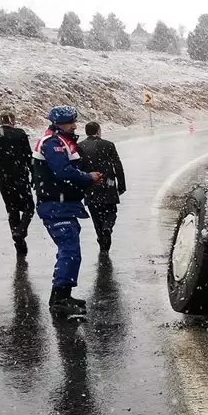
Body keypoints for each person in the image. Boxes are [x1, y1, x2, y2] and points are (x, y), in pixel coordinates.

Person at [32, 106, 102, 314]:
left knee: (71, 251)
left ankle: (64, 295)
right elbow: (63, 172)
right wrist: (88, 178)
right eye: (70, 122)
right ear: (58, 124)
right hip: (55, 205)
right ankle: (59, 299)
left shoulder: (59, 141)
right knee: (69, 251)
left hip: (63, 204)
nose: (74, 126)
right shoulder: (52, 143)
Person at [0, 112, 35, 257]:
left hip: (2, 178)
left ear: (0, 121)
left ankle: (18, 242)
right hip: (20, 176)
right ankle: (21, 230)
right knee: (29, 207)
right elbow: (28, 156)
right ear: (13, 121)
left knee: (12, 210)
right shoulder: (20, 134)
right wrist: (34, 174)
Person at [77, 121, 126, 252]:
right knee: (111, 211)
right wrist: (121, 185)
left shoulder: (80, 146)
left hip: (90, 184)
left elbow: (78, 168)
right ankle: (107, 227)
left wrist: (80, 186)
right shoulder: (108, 145)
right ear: (98, 131)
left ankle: (101, 239)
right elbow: (118, 166)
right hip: (107, 183)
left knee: (95, 214)